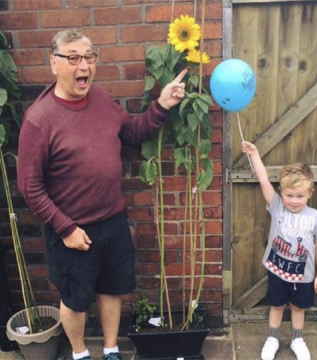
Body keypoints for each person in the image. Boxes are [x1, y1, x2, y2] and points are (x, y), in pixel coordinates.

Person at [16, 29, 187, 360]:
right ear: (54, 64)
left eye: (90, 57)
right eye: (74, 58)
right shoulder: (39, 120)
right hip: (72, 230)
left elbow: (132, 131)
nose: (84, 65)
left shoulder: (101, 99)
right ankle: (80, 354)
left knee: (112, 289)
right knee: (74, 299)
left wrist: (163, 104)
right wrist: (65, 229)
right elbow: (29, 186)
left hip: (113, 220)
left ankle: (110, 350)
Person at [241, 141, 317, 360]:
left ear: (310, 193)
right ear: (282, 192)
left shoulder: (315, 217)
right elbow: (262, 179)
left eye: (300, 196)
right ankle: (272, 338)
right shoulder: (277, 206)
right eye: (289, 195)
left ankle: (297, 339)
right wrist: (254, 155)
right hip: (278, 272)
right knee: (277, 305)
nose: (294, 201)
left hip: (303, 276)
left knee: (298, 309)